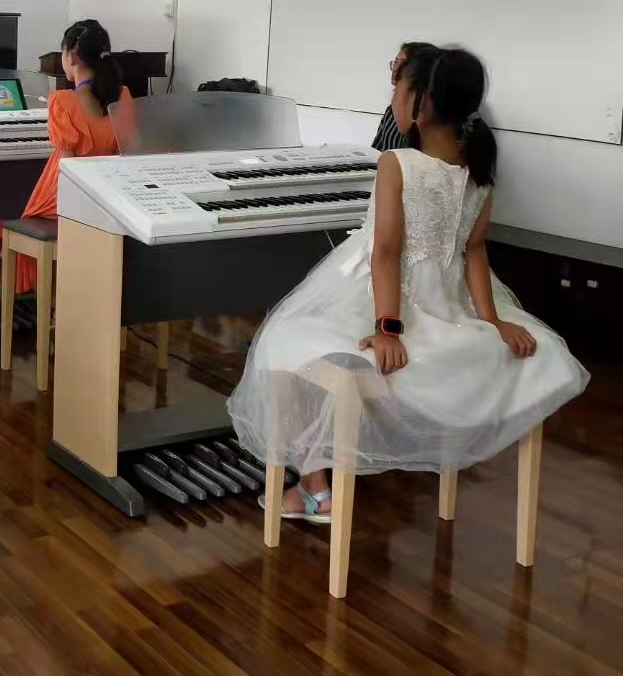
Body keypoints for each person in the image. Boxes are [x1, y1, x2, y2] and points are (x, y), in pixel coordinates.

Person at [228, 46, 588, 524]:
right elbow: (475, 251)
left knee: (285, 340)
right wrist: (492, 320)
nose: (392, 97)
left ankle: (315, 486)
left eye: (399, 88)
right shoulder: (480, 171)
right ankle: (316, 484)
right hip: (450, 303)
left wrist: (389, 329)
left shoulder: (397, 162)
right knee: (313, 347)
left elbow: (385, 254)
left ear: (423, 104)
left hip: (382, 298)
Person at [15, 19, 134, 294]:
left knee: (27, 219)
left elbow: (68, 173)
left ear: (70, 55)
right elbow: (124, 154)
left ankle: (51, 300)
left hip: (65, 194)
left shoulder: (62, 100)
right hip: (107, 192)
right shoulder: (124, 96)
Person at [373, 41, 434, 152]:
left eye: (402, 63)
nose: (395, 69)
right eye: (396, 62)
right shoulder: (390, 112)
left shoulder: (430, 119)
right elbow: (375, 151)